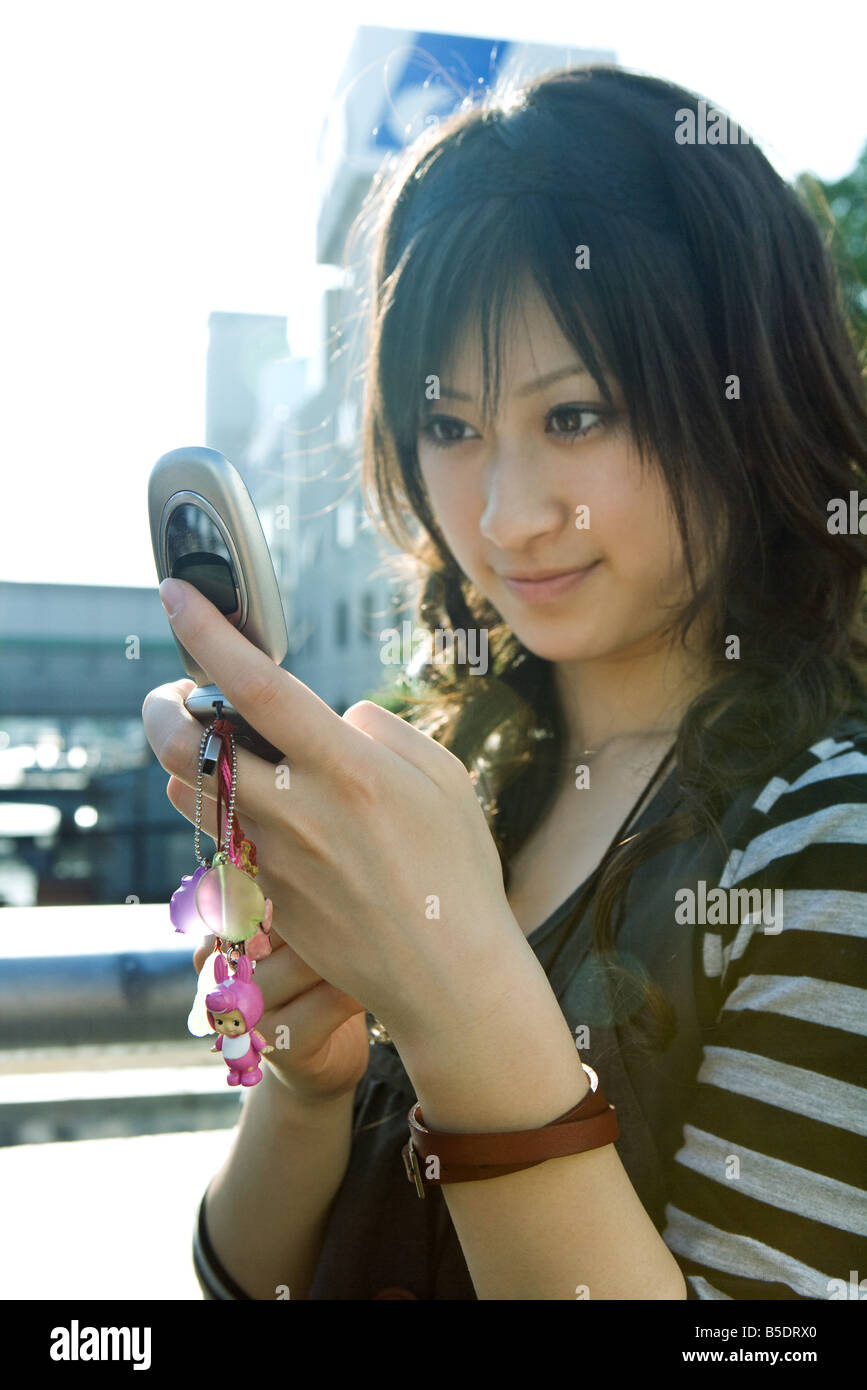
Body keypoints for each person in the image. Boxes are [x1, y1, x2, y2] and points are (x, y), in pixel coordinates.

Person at [148, 64, 867, 1300]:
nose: (506, 515)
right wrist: (312, 1084)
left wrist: (453, 1002)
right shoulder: (450, 780)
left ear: (748, 398)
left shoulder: (826, 835)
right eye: (452, 427)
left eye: (576, 415)